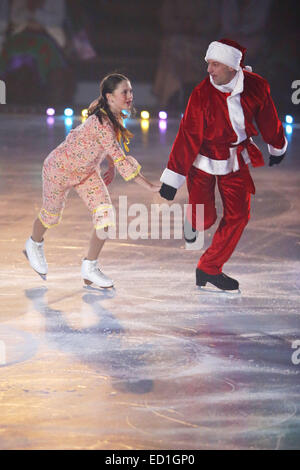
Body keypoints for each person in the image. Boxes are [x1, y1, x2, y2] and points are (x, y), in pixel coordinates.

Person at [159, 38, 287, 292]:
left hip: (235, 160)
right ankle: (193, 220)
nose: (209, 70)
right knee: (204, 218)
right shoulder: (201, 94)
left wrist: (277, 145)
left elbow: (268, 118)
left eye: (215, 64)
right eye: (208, 64)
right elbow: (187, 136)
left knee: (239, 215)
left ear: (231, 66)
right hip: (202, 160)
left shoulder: (256, 86)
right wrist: (173, 178)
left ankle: (209, 267)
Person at [24, 73, 160, 288]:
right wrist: (150, 186)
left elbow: (111, 147)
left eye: (131, 91)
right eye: (124, 92)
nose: (130, 96)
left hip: (86, 173)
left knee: (105, 217)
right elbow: (119, 155)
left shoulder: (111, 111)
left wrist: (110, 165)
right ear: (110, 96)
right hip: (58, 169)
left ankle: (90, 266)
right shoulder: (102, 122)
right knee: (50, 216)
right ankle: (33, 243)